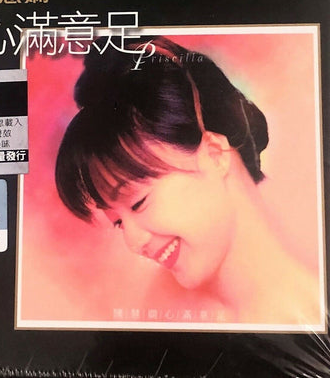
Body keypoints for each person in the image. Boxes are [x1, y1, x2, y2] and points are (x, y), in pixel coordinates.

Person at [55, 36, 320, 324]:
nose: (134, 242)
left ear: (215, 154)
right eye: (118, 222)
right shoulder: (162, 309)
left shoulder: (307, 317)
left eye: (138, 202)